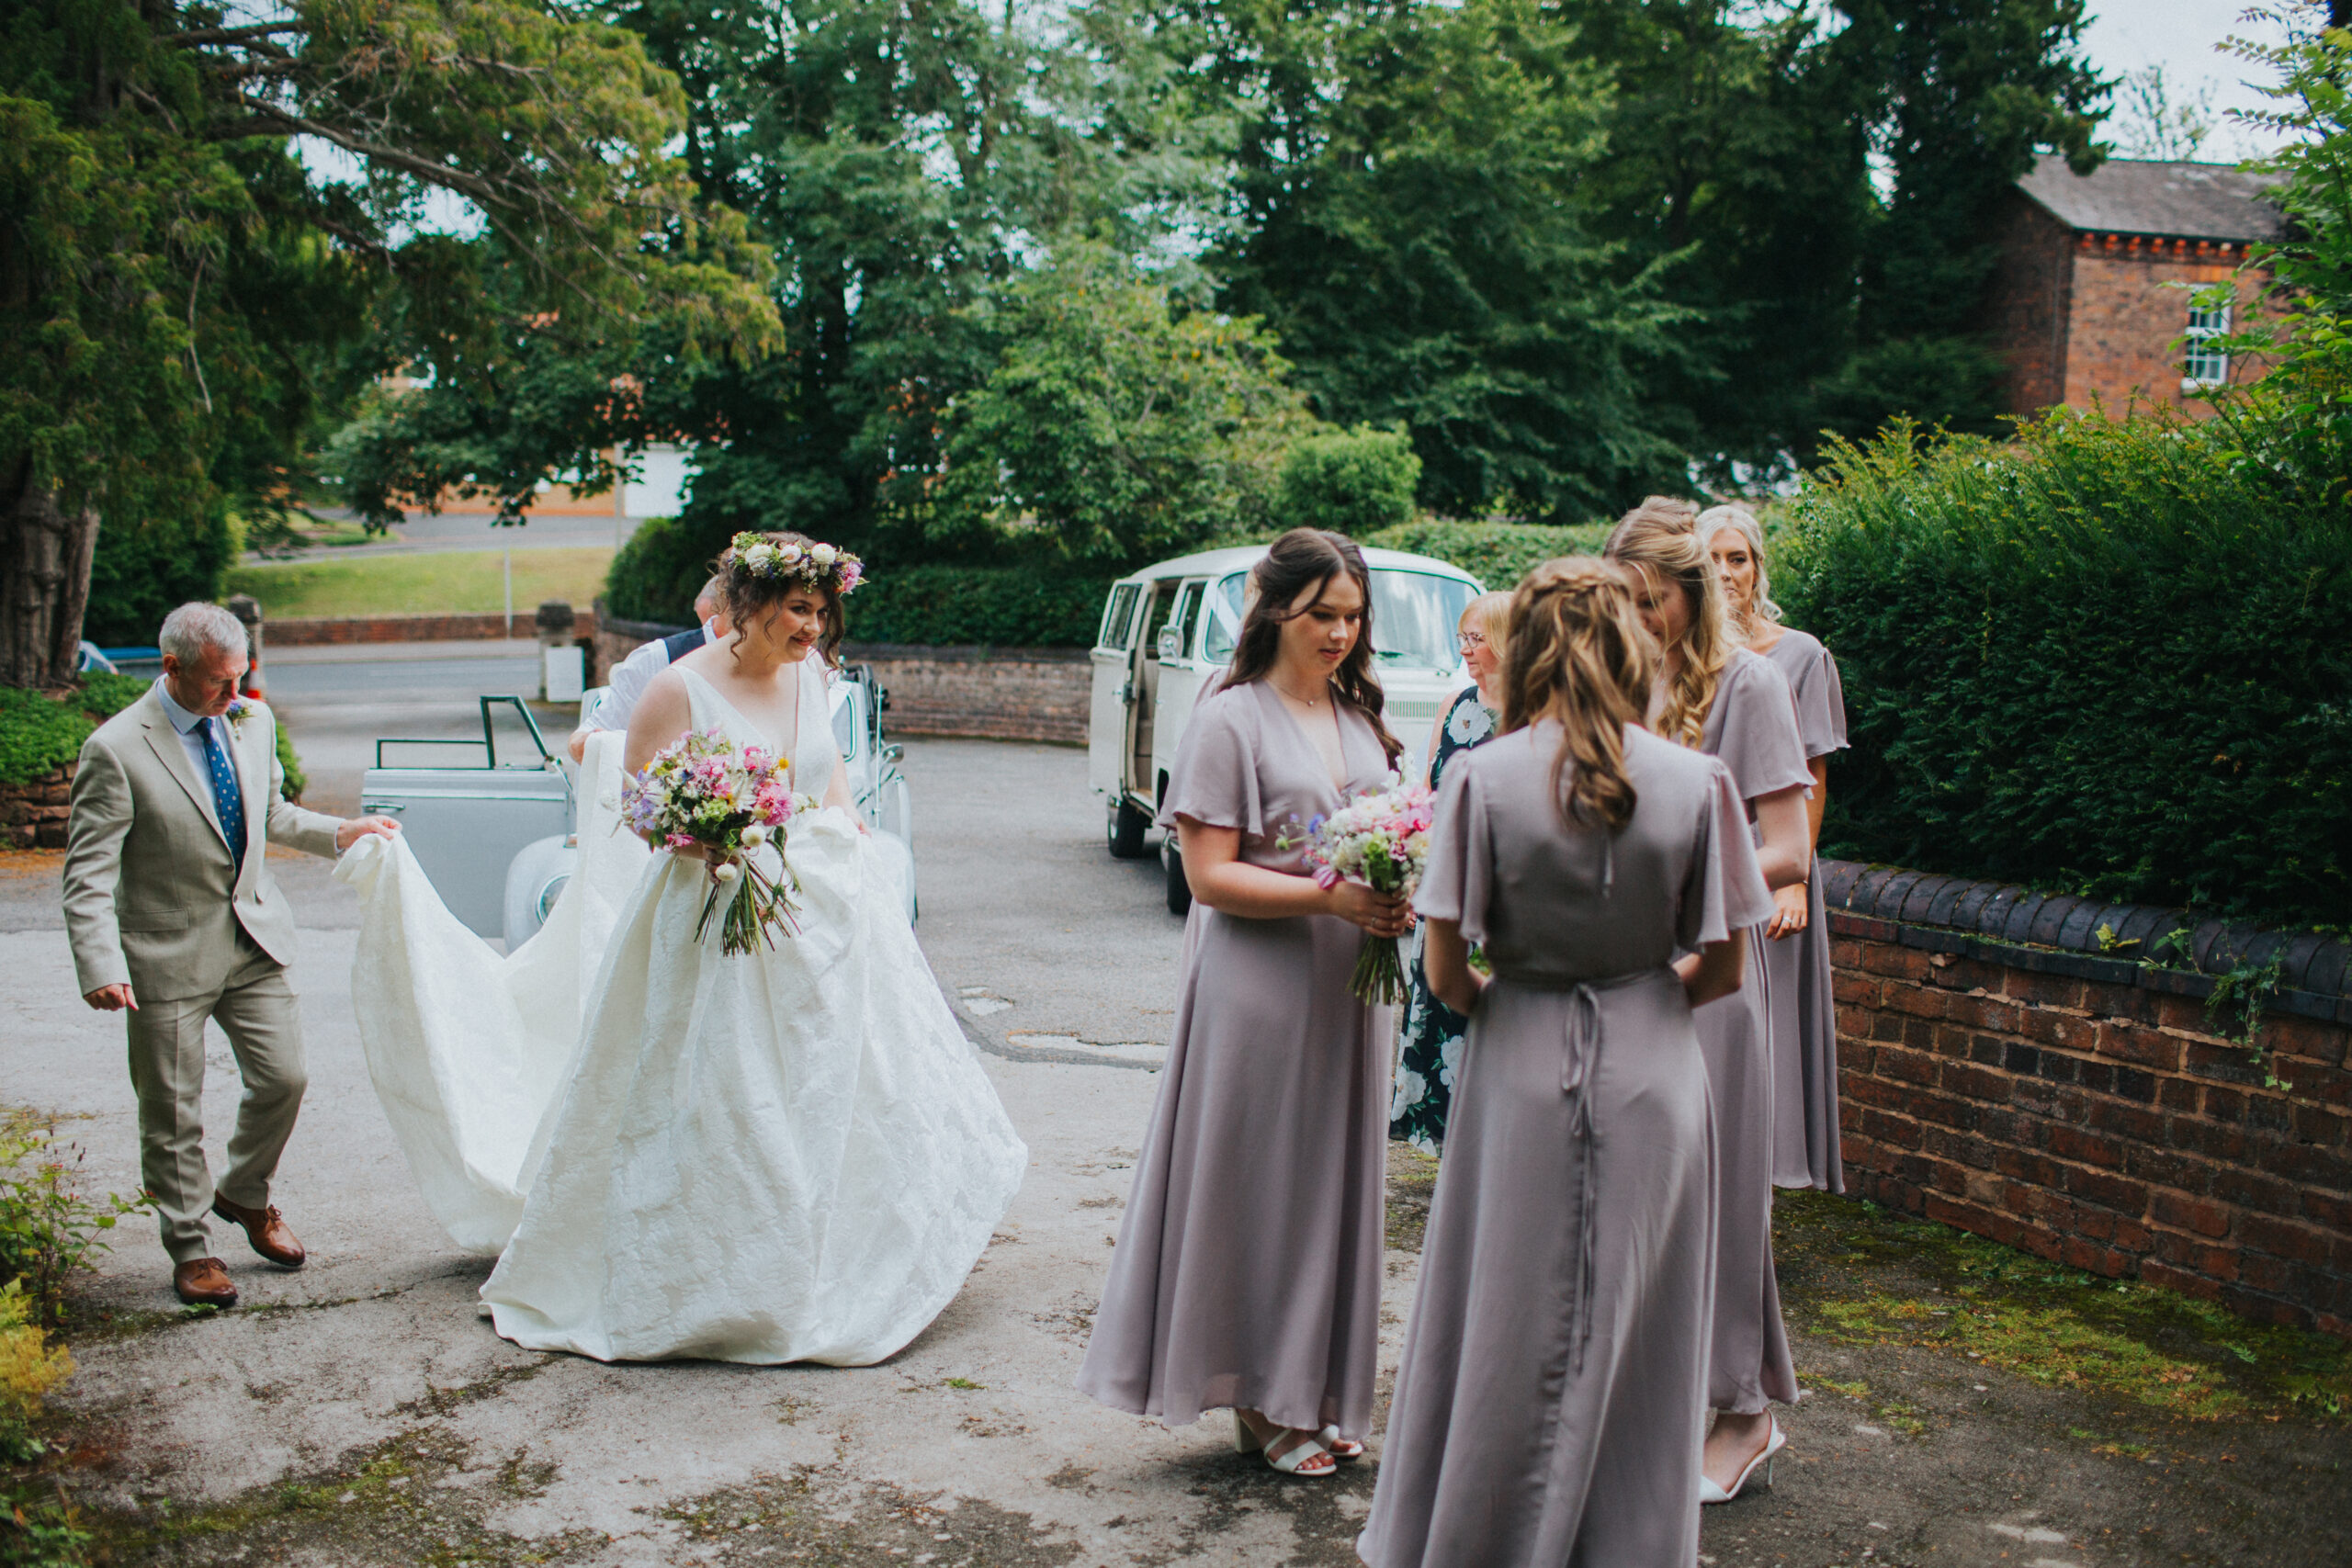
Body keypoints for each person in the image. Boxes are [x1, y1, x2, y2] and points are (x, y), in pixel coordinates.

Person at [340, 533, 1027, 1363]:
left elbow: (831, 775)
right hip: (715, 914)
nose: (812, 627)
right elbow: (638, 809)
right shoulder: (676, 689)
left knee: (834, 1082)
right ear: (746, 607)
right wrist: (710, 839)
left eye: (821, 611)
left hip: (825, 913)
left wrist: (847, 839)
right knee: (723, 1089)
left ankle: (838, 1250)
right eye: (797, 610)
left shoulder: (813, 677)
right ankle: (721, 1271)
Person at [1358, 557, 1770, 1567]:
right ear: (1633, 647)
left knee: (1501, 1306)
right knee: (1645, 1318)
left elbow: (1448, 971)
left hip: (1519, 1061)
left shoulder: (1483, 780)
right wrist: (1637, 1000)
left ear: (1529, 651)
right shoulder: (1695, 781)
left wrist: (1521, 1002)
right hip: (1655, 1064)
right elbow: (1722, 968)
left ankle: (1477, 1537)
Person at [1078, 528, 1410, 1478]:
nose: (1341, 633)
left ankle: (1311, 1387)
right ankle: (1258, 1397)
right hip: (1260, 987)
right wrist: (1329, 895)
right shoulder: (1228, 718)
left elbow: (1392, 824)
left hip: (1350, 986)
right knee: (1261, 1188)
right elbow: (1211, 876)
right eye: (1323, 615)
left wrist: (1402, 883)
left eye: (1353, 616)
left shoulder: (1356, 710)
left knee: (1330, 1191)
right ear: (1276, 610)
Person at [61, 603, 401, 1306]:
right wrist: (101, 965)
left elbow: (272, 813)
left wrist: (346, 830)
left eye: (241, 678)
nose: (233, 696)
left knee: (286, 1077)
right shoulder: (118, 749)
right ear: (171, 668)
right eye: (218, 682)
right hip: (165, 953)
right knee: (173, 1111)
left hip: (255, 939)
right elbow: (87, 876)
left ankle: (244, 1193)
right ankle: (190, 1248)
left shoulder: (253, 720)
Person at [1607, 499, 1811, 1503]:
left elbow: (1788, 846)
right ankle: (1645, 1408)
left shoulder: (1753, 684)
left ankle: (1743, 1412)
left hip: (1714, 967)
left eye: (1657, 602)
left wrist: (1683, 880)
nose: (1642, 621)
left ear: (1690, 592)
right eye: (1626, 603)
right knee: (1630, 1196)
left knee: (1719, 1195)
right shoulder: (1611, 681)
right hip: (1617, 968)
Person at [1701, 504, 1849, 1193]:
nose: (1727, 571)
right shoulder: (1687, 653)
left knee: (1768, 1031)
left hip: (1772, 859)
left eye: (1739, 557)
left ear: (1758, 566)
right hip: (1697, 856)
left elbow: (1813, 773)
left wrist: (1793, 877)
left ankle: (1756, 1182)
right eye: (1713, 557)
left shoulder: (1801, 654)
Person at [1391, 590, 1510, 1151]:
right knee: (1437, 1004)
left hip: (1496, 892)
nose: (1466, 649)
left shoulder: (1532, 711)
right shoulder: (1453, 703)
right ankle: (1442, 1142)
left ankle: (1486, 1147)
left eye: (1476, 638)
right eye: (1462, 637)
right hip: (1443, 883)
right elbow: (1426, 796)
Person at [566, 573, 731, 762]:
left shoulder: (770, 670)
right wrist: (601, 744)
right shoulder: (658, 658)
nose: (704, 629)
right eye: (703, 622)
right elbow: (586, 737)